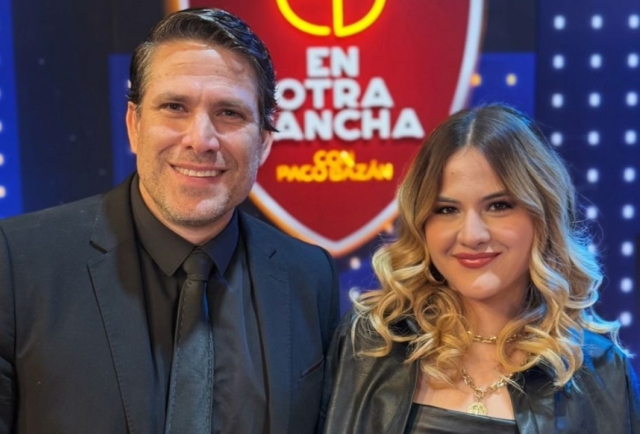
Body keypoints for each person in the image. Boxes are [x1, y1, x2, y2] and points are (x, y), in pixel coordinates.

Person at [0, 8, 339, 434]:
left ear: (264, 142)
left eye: (229, 113)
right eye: (175, 107)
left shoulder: (309, 276)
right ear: (134, 125)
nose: (201, 139)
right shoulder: (17, 263)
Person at [319, 104, 640, 433]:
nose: (471, 235)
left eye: (498, 206)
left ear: (542, 216)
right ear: (422, 224)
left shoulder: (601, 373)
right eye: (446, 210)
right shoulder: (370, 344)